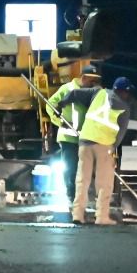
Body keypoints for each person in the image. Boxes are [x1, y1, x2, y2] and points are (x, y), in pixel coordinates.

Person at [72, 76, 133, 226]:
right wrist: (114, 149)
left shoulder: (98, 93)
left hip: (85, 142)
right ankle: (101, 217)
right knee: (104, 183)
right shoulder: (124, 108)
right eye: (128, 92)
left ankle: (78, 215)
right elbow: (121, 133)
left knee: (82, 180)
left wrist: (62, 102)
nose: (128, 95)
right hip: (105, 146)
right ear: (123, 91)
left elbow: (74, 94)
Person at [45, 64, 101, 202]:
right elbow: (50, 104)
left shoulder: (92, 93)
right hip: (68, 137)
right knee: (70, 168)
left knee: (83, 169)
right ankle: (71, 195)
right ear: (83, 77)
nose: (93, 83)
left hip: (85, 138)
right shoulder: (67, 89)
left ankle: (82, 195)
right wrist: (58, 121)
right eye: (91, 80)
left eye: (95, 80)